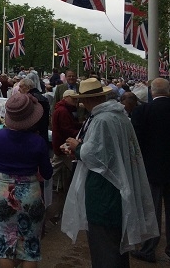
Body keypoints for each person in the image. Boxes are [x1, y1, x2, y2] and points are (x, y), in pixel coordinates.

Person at [62, 78, 157, 267]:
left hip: (105, 191)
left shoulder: (102, 120)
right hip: (117, 187)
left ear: (87, 100)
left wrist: (77, 147)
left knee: (104, 248)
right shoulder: (117, 115)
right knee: (114, 248)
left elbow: (95, 155)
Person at [0, 92, 53, 268]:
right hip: (30, 193)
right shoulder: (38, 141)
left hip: (3, 192)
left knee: (4, 243)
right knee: (30, 247)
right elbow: (47, 172)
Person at [131, 78, 170, 262]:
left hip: (151, 168)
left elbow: (136, 143)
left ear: (152, 92)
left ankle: (148, 249)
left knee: (151, 211)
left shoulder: (142, 111)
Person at [48, 89, 81, 223]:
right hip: (63, 147)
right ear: (66, 98)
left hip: (61, 145)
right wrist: (81, 131)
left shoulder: (62, 109)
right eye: (73, 99)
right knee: (56, 170)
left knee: (57, 169)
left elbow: (69, 126)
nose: (76, 101)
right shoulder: (63, 111)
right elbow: (67, 129)